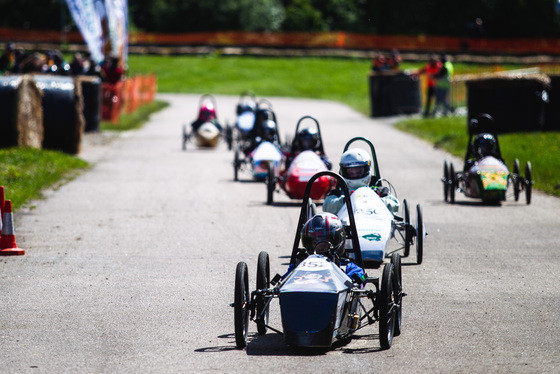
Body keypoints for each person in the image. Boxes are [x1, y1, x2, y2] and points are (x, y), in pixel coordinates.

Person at [288, 212, 365, 283]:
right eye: (315, 241)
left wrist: (343, 276)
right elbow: (284, 281)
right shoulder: (301, 265)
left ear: (336, 240)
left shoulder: (347, 266)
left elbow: (363, 279)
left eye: (325, 240)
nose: (320, 245)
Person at [323, 148, 399, 216]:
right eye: (351, 173)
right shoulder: (338, 194)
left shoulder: (380, 191)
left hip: (376, 223)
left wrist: (376, 199)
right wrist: (345, 200)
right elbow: (327, 207)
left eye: (358, 171)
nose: (355, 175)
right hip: (348, 227)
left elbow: (394, 205)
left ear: (367, 169)